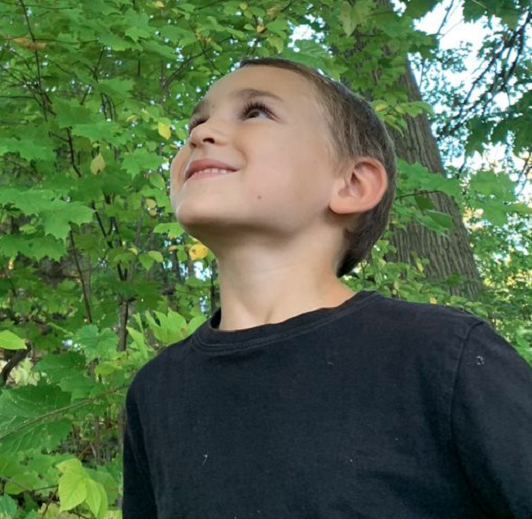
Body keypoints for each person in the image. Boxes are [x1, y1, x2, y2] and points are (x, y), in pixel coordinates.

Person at [121, 57, 532, 518]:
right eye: (196, 121)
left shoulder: (441, 357)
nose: (200, 133)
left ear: (353, 184)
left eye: (256, 111)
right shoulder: (156, 391)